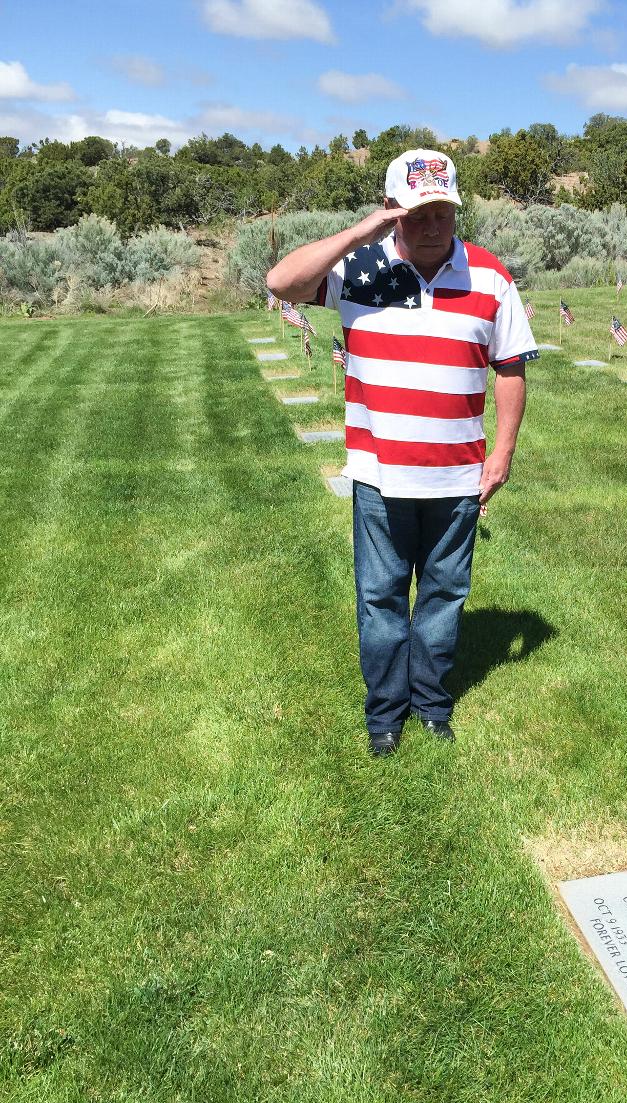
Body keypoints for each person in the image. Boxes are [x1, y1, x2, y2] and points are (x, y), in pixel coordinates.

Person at [267, 149, 537, 756]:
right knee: (381, 597)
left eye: (442, 208)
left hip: (458, 475)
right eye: (416, 211)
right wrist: (364, 230)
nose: (431, 222)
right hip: (379, 473)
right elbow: (280, 282)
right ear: (392, 212)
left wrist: (504, 452)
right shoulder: (360, 269)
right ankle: (386, 714)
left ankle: (433, 704)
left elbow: (512, 366)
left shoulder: (491, 277)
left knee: (444, 596)